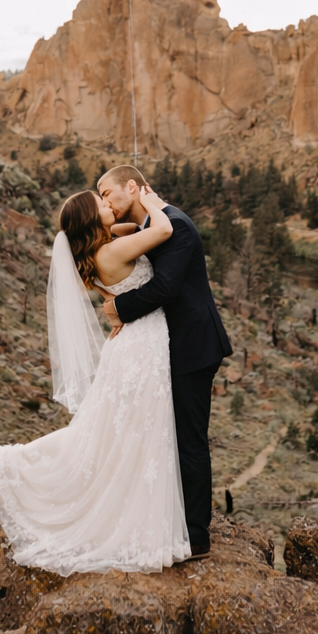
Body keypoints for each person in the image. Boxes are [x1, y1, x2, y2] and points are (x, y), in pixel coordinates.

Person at [0, 184, 192, 574]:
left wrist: (125, 216)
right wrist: (147, 197)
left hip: (138, 345)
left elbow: (132, 231)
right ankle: (2, 467)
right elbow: (163, 231)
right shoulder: (110, 251)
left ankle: (133, 518)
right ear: (91, 219)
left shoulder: (104, 245)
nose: (108, 204)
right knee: (107, 437)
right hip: (140, 350)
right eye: (101, 203)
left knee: (115, 437)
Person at [97, 165, 232, 558]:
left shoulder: (177, 225)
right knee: (169, 435)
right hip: (169, 347)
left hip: (194, 346)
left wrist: (119, 307)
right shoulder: (150, 227)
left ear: (133, 187)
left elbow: (165, 287)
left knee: (189, 439)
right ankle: (174, 519)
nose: (105, 200)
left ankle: (196, 536)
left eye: (107, 193)